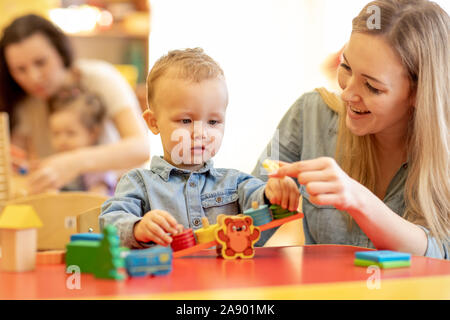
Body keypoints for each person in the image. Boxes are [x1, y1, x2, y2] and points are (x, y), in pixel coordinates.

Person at [252, 0, 449, 259]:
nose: (347, 94)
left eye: (372, 87)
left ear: (418, 93)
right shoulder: (310, 114)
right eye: (346, 68)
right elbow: (241, 225)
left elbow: (442, 256)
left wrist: (360, 201)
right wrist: (268, 197)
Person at [99, 48, 300, 248]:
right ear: (153, 122)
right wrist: (137, 227)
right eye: (186, 120)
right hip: (166, 278)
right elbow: (110, 221)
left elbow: (259, 202)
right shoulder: (138, 183)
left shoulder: (235, 182)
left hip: (226, 279)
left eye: (213, 122)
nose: (200, 133)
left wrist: (274, 193)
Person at [0, 14, 149, 195]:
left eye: (41, 62)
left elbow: (141, 147)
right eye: (20, 69)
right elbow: (19, 163)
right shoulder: (24, 103)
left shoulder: (101, 78)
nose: (33, 77)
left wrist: (73, 162)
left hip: (118, 199)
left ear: (60, 52)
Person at [48, 85, 117, 195]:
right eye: (56, 134)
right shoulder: (58, 162)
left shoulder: (96, 168)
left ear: (92, 133)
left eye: (70, 133)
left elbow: (97, 199)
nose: (62, 140)